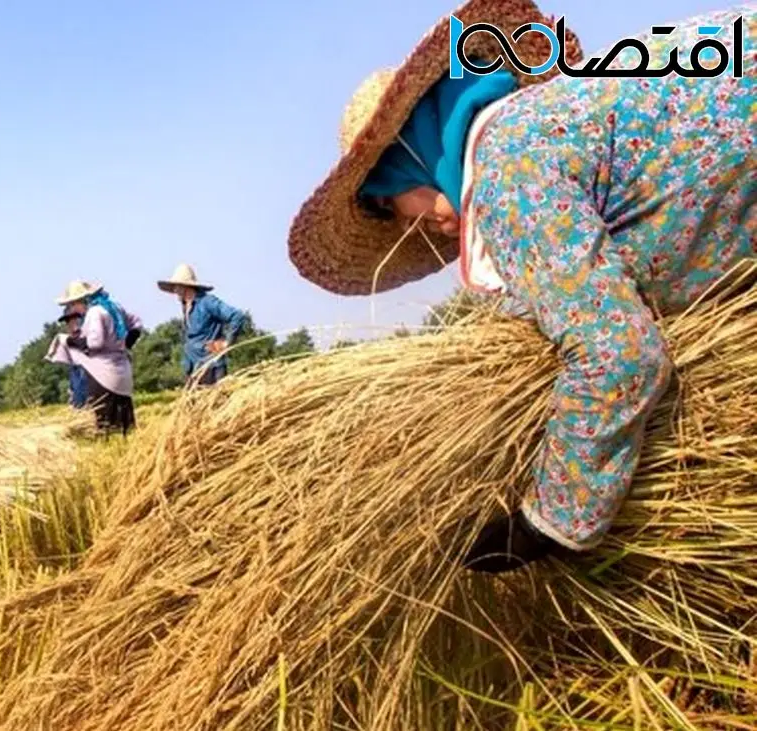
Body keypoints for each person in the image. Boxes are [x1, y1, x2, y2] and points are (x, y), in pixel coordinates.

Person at [286, 0, 757, 574]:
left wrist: (545, 524)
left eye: (390, 202)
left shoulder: (509, 170)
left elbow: (620, 355)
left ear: (410, 153)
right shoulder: (543, 121)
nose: (409, 224)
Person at [53, 280, 143, 436]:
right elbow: (136, 324)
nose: (74, 309)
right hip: (122, 371)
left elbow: (95, 343)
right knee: (124, 425)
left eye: (73, 304)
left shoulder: (95, 312)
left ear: (82, 300)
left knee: (106, 425)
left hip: (103, 375)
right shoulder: (114, 306)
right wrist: (126, 344)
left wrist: (69, 341)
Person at [157, 263, 247, 386]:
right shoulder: (186, 306)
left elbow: (237, 316)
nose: (175, 290)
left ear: (186, 286)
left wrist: (227, 342)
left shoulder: (207, 302)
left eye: (177, 286)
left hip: (211, 366)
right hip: (194, 367)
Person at [59, 308, 90, 409]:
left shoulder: (89, 337)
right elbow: (73, 383)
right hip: (79, 408)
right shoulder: (68, 344)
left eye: (75, 320)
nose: (71, 324)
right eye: (68, 321)